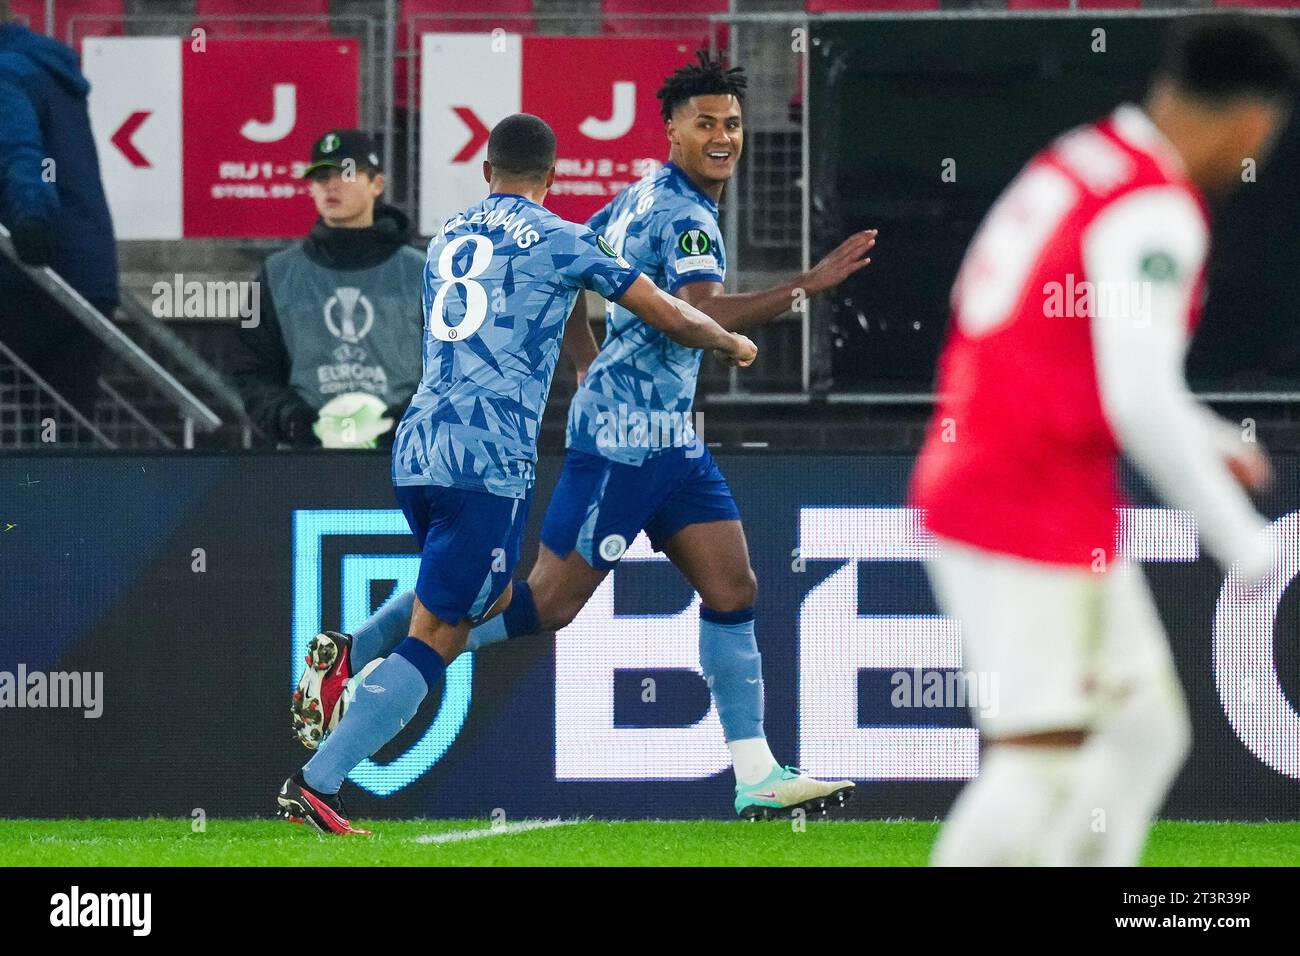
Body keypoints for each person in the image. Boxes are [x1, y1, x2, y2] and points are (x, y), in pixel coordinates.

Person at [292, 54, 876, 820]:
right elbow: (697, 313)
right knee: (536, 604)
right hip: (618, 436)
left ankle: (756, 773)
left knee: (733, 587)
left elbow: (575, 281)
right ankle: (368, 670)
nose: (723, 136)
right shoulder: (683, 218)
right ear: (671, 129)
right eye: (706, 123)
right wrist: (803, 289)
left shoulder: (612, 205)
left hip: (653, 434)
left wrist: (584, 361)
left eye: (732, 123)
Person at [909, 15, 1298, 866]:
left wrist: (1197, 430)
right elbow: (1138, 397)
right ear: (1252, 123)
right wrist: (1245, 542)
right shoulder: (1159, 208)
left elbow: (1079, 355)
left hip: (1018, 476)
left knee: (1143, 730)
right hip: (1021, 498)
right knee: (1039, 763)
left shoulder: (1086, 158)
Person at [231, 130, 423, 449]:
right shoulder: (274, 275)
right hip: (309, 462)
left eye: (346, 173)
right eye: (320, 177)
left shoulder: (425, 271)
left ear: (377, 184)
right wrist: (296, 423)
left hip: (405, 455)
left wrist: (402, 424)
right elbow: (250, 368)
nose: (331, 185)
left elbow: (452, 368)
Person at [0, 2, 117, 420]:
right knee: (60, 433)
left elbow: (22, 152)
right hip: (88, 273)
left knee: (47, 436)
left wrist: (31, 216)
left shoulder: (7, 72)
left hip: (37, 274)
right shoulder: (45, 66)